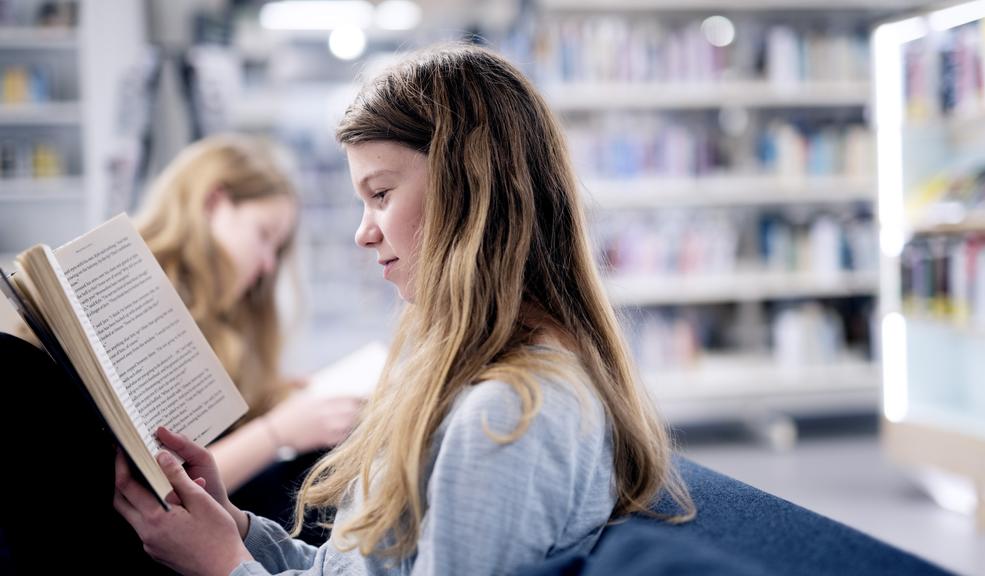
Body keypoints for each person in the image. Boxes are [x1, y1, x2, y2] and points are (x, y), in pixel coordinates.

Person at [112, 44, 695, 576]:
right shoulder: (462, 375)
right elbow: (350, 569)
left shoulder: (505, 418)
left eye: (381, 195)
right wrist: (237, 532)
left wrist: (224, 567)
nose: (363, 233)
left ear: (466, 189)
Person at [134, 135, 364, 536]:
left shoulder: (221, 317)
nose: (268, 265)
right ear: (213, 204)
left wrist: (276, 398)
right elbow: (162, 487)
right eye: (263, 235)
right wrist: (278, 430)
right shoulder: (144, 309)